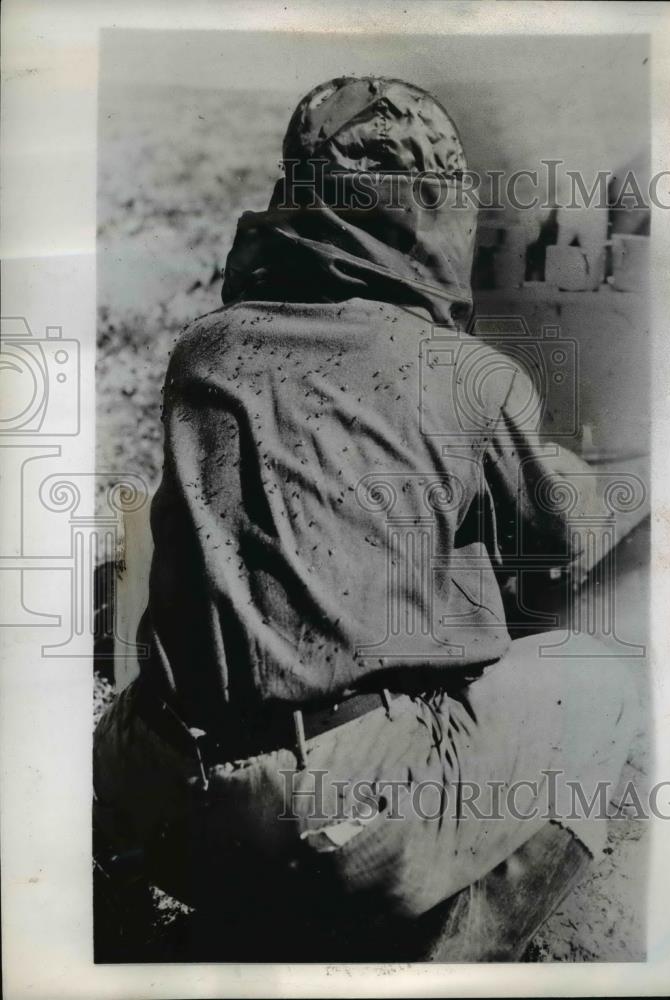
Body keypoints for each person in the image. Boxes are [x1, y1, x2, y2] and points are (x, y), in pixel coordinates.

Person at [94, 77, 637, 961]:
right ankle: (430, 960)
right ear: (434, 213)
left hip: (156, 794)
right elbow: (560, 547)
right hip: (327, 815)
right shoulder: (462, 372)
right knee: (603, 681)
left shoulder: (204, 350)